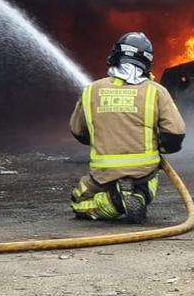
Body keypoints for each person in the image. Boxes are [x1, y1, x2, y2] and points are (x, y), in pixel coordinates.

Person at [68, 32, 186, 223]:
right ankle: (138, 195)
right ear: (147, 62)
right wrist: (159, 147)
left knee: (78, 202)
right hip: (144, 173)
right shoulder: (156, 91)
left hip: (103, 174)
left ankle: (115, 201)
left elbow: (78, 131)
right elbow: (175, 134)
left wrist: (105, 137)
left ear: (115, 56)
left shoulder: (91, 90)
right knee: (149, 180)